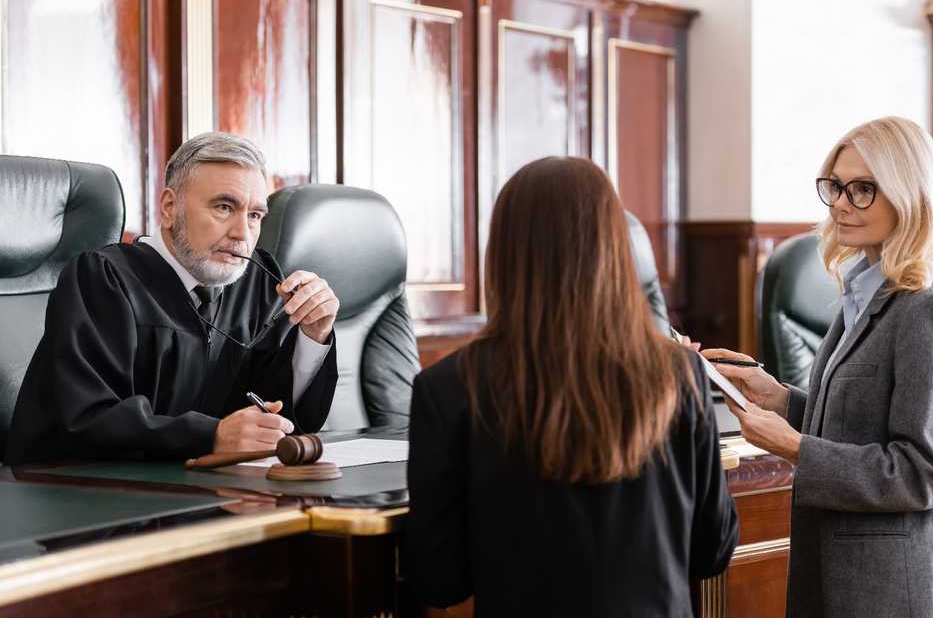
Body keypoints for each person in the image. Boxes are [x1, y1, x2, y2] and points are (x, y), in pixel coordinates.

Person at [406, 157, 738, 618]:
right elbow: (712, 551)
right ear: (615, 252)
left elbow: (439, 580)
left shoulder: (447, 389)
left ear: (501, 254)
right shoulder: (682, 375)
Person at [704, 116, 933, 618]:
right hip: (836, 573)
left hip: (891, 592)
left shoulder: (927, 308)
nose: (842, 203)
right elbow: (861, 423)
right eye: (837, 186)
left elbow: (923, 473)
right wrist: (780, 399)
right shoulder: (864, 289)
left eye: (864, 189)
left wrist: (790, 446)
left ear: (911, 197)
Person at [4, 132, 340, 465]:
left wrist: (313, 335)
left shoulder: (258, 282)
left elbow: (279, 413)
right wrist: (212, 436)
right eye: (224, 207)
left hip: (202, 491)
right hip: (76, 494)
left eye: (254, 216)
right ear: (169, 207)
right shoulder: (105, 279)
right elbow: (88, 418)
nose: (242, 233)